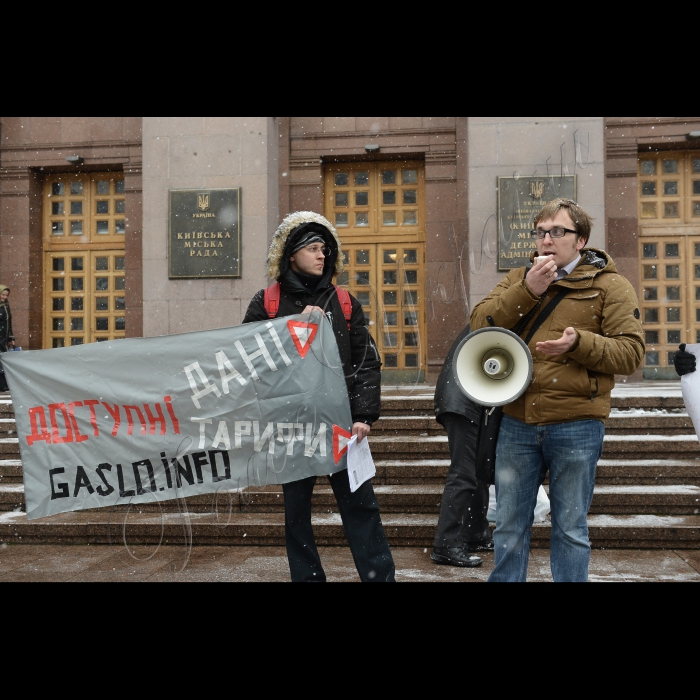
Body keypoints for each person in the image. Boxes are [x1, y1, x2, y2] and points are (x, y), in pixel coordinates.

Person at [471, 199, 645, 583]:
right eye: (540, 232)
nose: (546, 240)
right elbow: (478, 327)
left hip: (577, 424)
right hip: (518, 421)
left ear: (580, 240)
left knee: (569, 528)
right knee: (510, 528)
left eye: (558, 232)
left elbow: (631, 353)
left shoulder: (609, 286)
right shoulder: (520, 278)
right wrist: (528, 290)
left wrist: (579, 343)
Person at [243, 211, 396, 583]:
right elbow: (247, 358)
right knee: (296, 514)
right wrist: (292, 331)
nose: (321, 255)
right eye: (312, 248)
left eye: (325, 249)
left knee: (361, 508)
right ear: (291, 254)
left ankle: (380, 578)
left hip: (342, 424)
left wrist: (364, 416)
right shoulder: (268, 303)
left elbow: (366, 363)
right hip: (292, 426)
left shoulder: (344, 302)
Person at [431, 326, 492, 569]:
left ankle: (475, 533)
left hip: (463, 399)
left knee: (477, 470)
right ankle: (445, 545)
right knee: (464, 473)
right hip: (463, 402)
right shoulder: (513, 309)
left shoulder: (500, 311)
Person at [0, 286, 15, 393]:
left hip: (3, 339)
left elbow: (8, 323)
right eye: (2, 294)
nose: (4, 297)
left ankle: (4, 385)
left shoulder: (5, 305)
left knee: (3, 361)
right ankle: (3, 385)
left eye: (6, 295)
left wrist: (11, 337)